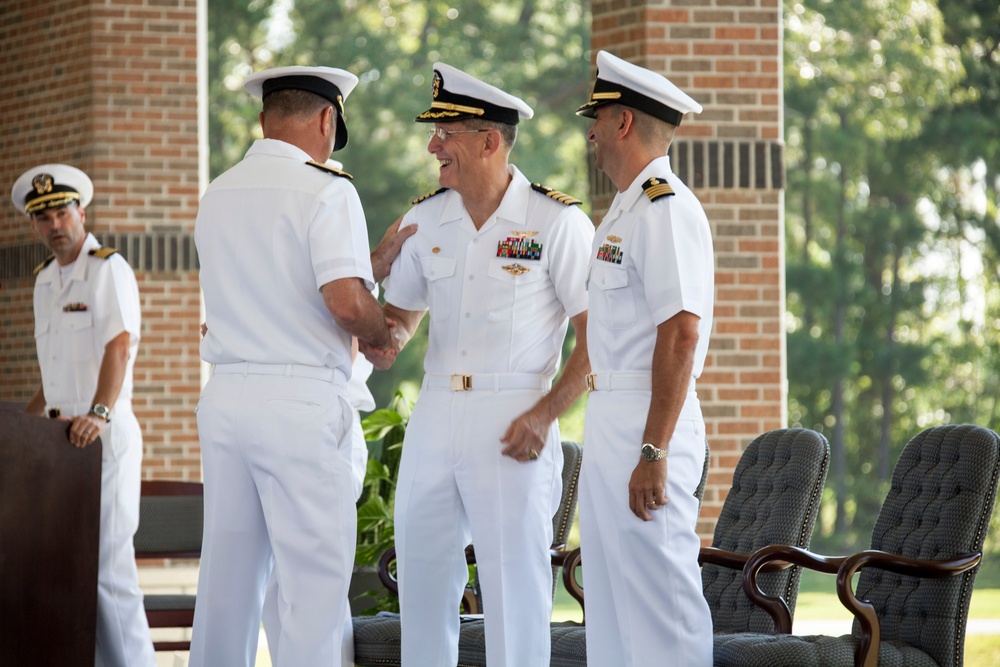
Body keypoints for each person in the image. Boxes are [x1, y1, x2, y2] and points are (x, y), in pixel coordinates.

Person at [368, 63, 594, 666]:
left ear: (490, 141)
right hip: (436, 410)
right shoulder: (425, 220)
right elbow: (396, 327)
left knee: (513, 586)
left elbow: (597, 339)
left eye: (447, 133)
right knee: (421, 580)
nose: (432, 145)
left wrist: (546, 417)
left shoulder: (558, 222)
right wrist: (367, 289)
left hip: (515, 416)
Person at [189, 65, 399, 667]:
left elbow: (275, 281)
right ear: (327, 119)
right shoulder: (328, 189)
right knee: (312, 589)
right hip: (299, 404)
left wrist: (371, 260)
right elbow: (342, 301)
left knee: (228, 582)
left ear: (264, 118)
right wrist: (382, 332)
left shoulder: (220, 191)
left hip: (227, 398)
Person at [574, 50, 715, 666]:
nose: (591, 132)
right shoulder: (626, 209)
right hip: (611, 415)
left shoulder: (665, 206)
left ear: (623, 124)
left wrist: (653, 451)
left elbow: (681, 332)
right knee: (611, 604)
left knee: (661, 599)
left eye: (597, 119)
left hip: (646, 423)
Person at [12, 163, 156, 666]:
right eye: (42, 217)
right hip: (57, 446)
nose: (54, 225)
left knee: (107, 571)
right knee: (69, 571)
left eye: (61, 212)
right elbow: (53, 376)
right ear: (33, 226)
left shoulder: (106, 267)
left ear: (81, 211)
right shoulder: (45, 281)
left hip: (102, 440)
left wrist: (98, 411)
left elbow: (120, 345)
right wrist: (17, 428)